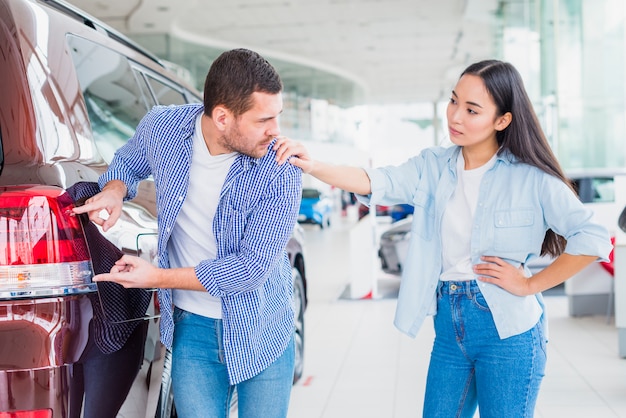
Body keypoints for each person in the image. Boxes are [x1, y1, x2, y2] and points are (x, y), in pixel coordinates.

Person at [274, 60, 612, 417]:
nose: (455, 117)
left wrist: (531, 284)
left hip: (509, 331)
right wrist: (312, 166)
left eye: (472, 110)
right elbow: (377, 180)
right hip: (450, 326)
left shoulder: (532, 178)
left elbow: (592, 237)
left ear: (503, 120)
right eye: (454, 102)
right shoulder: (433, 165)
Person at [73, 48, 302, 418]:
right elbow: (129, 160)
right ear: (222, 117)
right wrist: (115, 189)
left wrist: (157, 278)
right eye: (264, 120)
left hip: (262, 328)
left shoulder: (281, 170)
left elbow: (249, 269)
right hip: (191, 330)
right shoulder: (163, 128)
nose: (276, 131)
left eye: (277, 117)